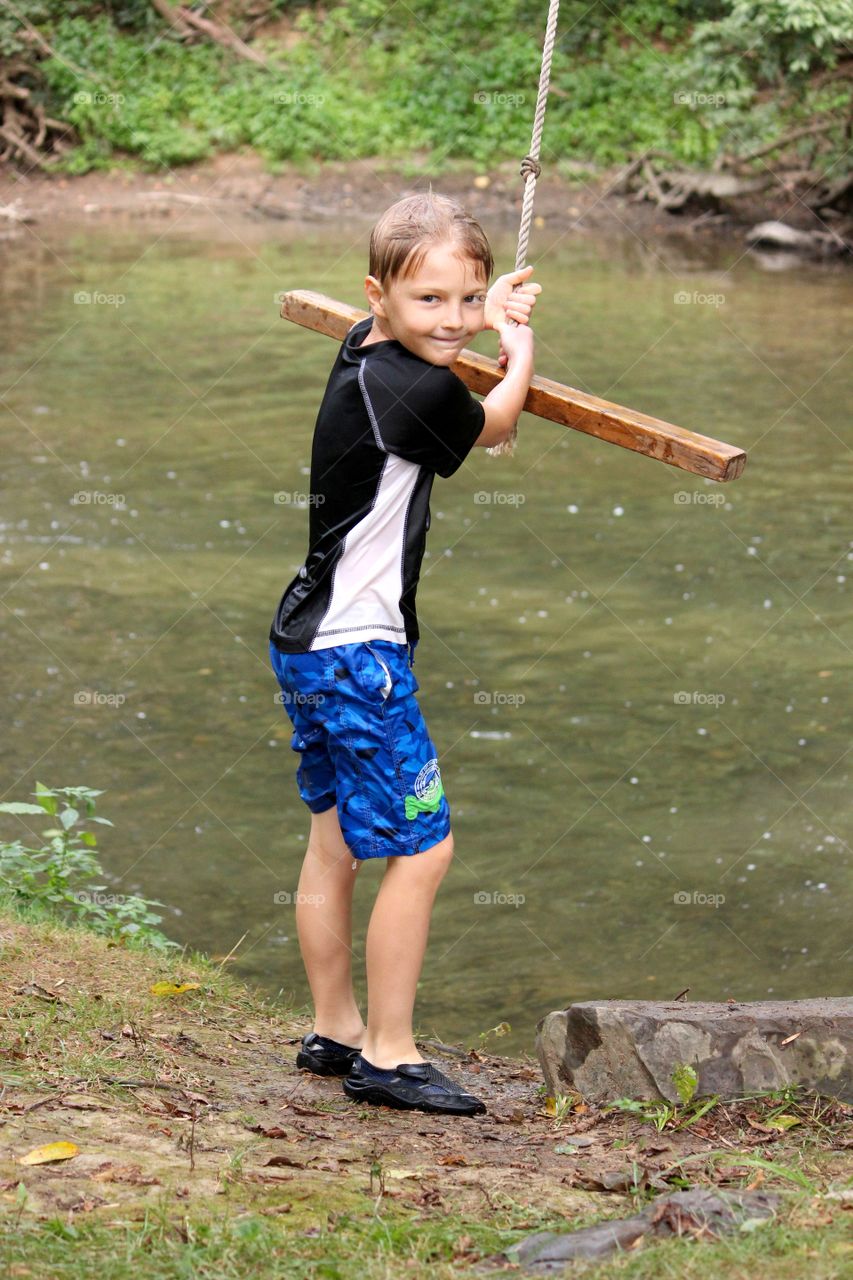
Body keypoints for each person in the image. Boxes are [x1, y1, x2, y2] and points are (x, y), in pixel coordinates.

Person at [269, 191, 541, 1116]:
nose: (454, 322)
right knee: (422, 849)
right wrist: (519, 345)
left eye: (467, 300)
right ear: (376, 296)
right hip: (358, 653)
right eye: (430, 302)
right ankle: (386, 1054)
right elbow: (497, 421)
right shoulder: (423, 388)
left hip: (305, 640)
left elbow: (436, 346)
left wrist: (488, 303)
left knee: (336, 838)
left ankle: (335, 1025)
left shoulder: (362, 348)